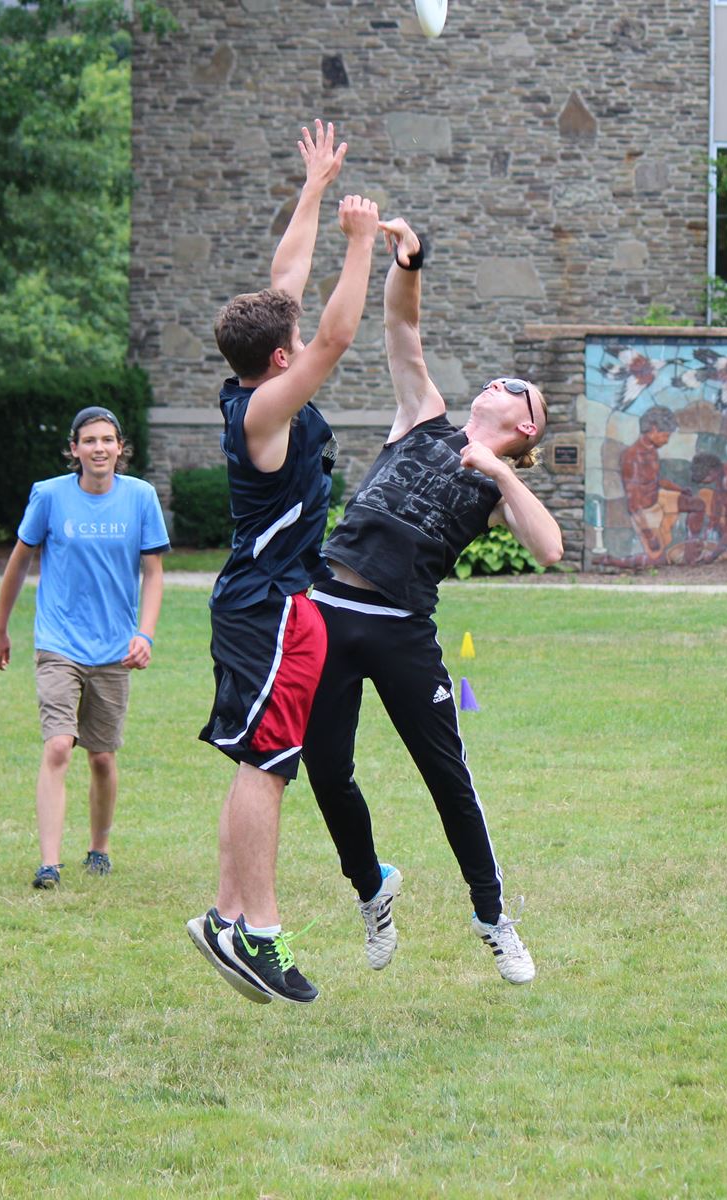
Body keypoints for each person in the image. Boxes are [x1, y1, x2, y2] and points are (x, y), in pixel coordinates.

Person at [303, 217, 563, 986]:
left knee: (448, 777)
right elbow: (402, 329)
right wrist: (410, 262)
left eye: (513, 386)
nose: (497, 382)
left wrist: (503, 472)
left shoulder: (498, 485)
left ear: (525, 424)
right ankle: (371, 888)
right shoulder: (422, 419)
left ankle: (493, 917)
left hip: (401, 630)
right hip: (328, 607)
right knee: (326, 768)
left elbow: (550, 549)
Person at [183, 119, 381, 1006]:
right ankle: (256, 932)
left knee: (257, 758)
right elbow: (332, 340)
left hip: (259, 601)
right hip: (272, 606)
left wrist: (313, 189)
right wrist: (362, 243)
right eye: (289, 343)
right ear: (276, 360)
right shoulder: (266, 410)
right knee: (267, 761)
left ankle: (228, 917)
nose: (300, 342)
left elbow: (286, 283)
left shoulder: (250, 381)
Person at [0, 406, 169, 889]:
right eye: (89, 441)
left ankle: (99, 849)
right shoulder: (50, 496)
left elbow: (152, 573)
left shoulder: (141, 497)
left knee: (102, 756)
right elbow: (19, 561)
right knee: (59, 746)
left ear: (120, 447)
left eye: (107, 440)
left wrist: (144, 634)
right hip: (59, 642)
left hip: (114, 648)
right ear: (74, 449)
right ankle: (49, 864)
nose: (99, 448)